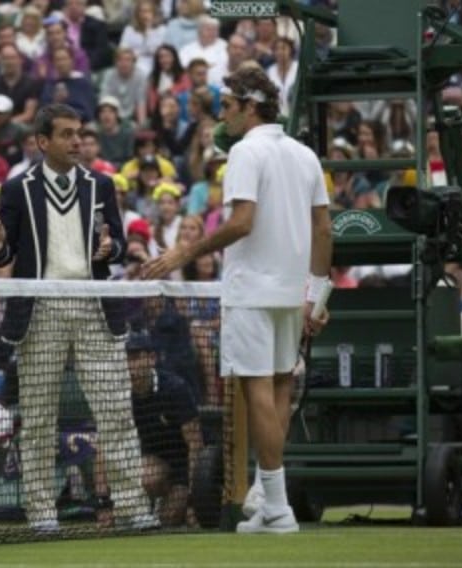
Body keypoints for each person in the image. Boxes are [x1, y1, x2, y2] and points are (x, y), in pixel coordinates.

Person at [142, 66, 333, 534]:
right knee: (279, 388)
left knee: (258, 394)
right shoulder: (304, 154)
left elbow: (242, 222)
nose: (220, 115)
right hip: (292, 293)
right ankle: (269, 502)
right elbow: (324, 229)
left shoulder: (246, 151)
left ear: (250, 107)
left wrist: (184, 250)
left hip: (251, 292)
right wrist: (318, 295)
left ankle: (279, 507)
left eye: (226, 106)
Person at [0, 103, 157, 533]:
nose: (78, 140)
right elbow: (7, 252)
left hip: (94, 305)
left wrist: (109, 249)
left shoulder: (101, 184)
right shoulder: (18, 189)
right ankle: (41, 513)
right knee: (38, 417)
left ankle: (131, 507)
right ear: (43, 141)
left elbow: (114, 244)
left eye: (80, 133)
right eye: (67, 134)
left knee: (115, 412)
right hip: (40, 309)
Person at [125, 332, 203, 527]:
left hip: (184, 466)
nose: (129, 366)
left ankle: (177, 504)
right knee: (147, 476)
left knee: (171, 519)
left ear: (152, 358)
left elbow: (196, 445)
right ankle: (153, 502)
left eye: (135, 358)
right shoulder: (120, 394)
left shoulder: (176, 389)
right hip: (153, 463)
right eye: (125, 359)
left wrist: (194, 497)